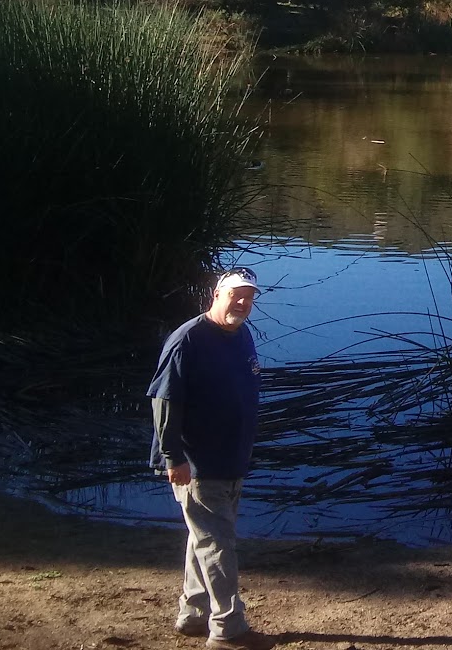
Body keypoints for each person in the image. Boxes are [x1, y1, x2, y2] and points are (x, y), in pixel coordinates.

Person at [148, 267, 276, 650]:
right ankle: (228, 628)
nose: (243, 303)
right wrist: (173, 457)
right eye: (236, 294)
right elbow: (164, 402)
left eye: (249, 297)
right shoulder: (188, 340)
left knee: (203, 538)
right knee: (218, 545)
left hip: (231, 460)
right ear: (216, 294)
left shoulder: (241, 334)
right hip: (198, 465)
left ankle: (193, 614)